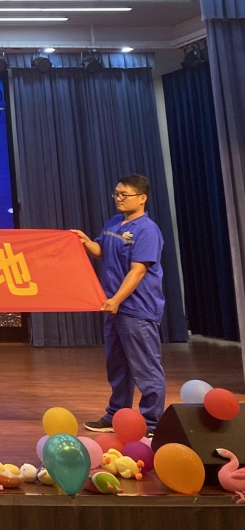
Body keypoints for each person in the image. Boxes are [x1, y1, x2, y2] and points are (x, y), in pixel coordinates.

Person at [71, 174, 166, 435]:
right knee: (117, 365)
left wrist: (116, 299)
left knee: (145, 367)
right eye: (116, 193)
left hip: (137, 309)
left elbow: (138, 270)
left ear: (142, 198)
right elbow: (101, 251)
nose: (119, 198)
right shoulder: (114, 222)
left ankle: (152, 423)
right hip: (114, 306)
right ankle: (116, 415)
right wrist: (85, 241)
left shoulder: (147, 230)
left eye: (125, 194)